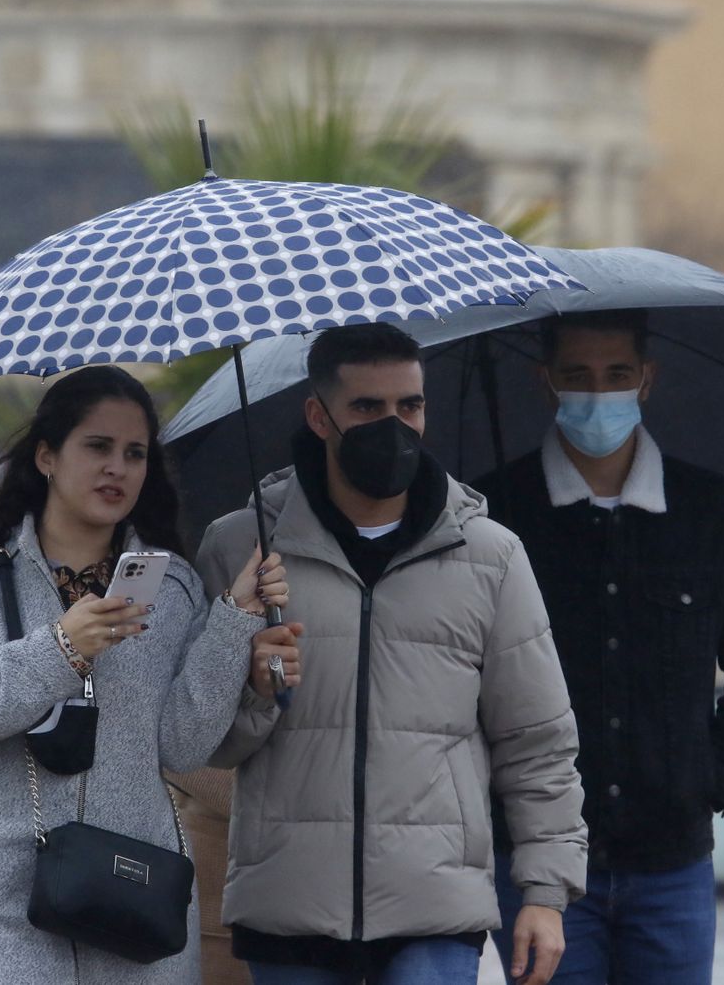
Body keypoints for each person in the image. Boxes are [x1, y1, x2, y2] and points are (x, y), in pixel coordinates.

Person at [196, 323, 588, 985]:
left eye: (410, 405)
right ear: (319, 416)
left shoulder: (490, 556)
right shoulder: (242, 550)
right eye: (367, 408)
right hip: (289, 905)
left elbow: (537, 739)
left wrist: (546, 895)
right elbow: (205, 739)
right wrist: (256, 686)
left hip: (435, 909)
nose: (395, 425)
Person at [0, 365, 292, 985]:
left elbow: (182, 748)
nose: (118, 467)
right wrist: (59, 649)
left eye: (135, 453)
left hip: (131, 904)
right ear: (47, 456)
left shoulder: (174, 586)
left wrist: (234, 621)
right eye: (98, 447)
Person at [475, 310, 724, 985]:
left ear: (647, 379)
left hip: (674, 863)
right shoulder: (491, 516)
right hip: (538, 867)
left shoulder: (713, 511)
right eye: (578, 376)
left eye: (617, 375)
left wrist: (720, 771)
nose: (598, 393)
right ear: (547, 383)